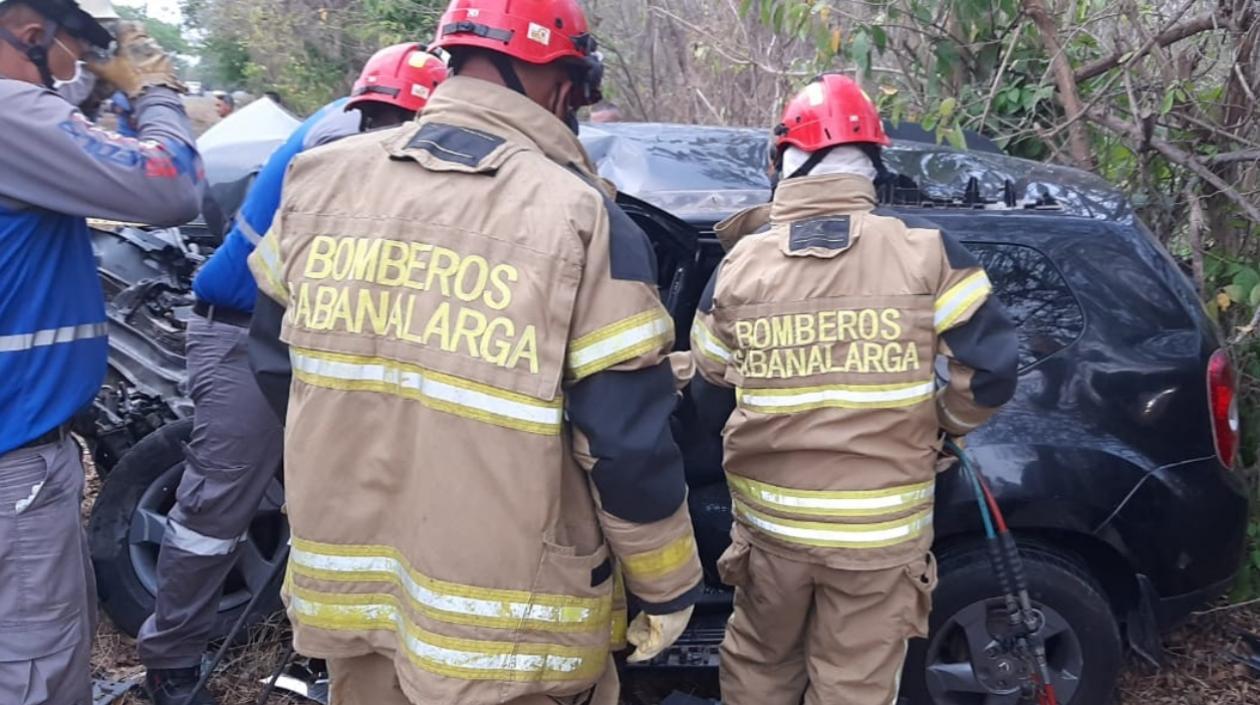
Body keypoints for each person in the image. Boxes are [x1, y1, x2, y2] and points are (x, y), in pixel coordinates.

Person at [247, 1, 703, 702]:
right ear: (559, 83)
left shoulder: (318, 180)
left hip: (353, 594)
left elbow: (276, 364)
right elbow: (625, 442)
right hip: (509, 630)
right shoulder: (580, 216)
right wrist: (667, 585)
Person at [689, 73, 1019, 705]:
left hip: (773, 532)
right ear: (872, 162)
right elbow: (994, 374)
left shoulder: (740, 267)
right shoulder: (928, 254)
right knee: (854, 685)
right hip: (880, 541)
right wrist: (941, 422)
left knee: (759, 666)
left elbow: (709, 390)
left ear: (784, 160)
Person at [136, 44, 447, 705]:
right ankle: (171, 659)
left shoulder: (372, 128)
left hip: (309, 331)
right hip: (243, 330)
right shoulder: (345, 139)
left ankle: (333, 651)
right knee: (216, 506)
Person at [0, 2, 202, 703]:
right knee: (35, 662)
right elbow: (170, 184)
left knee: (44, 623)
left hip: (22, 444)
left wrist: (85, 83)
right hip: (13, 448)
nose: (86, 68)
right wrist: (153, 93)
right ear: (32, 35)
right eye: (78, 52)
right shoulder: (10, 115)